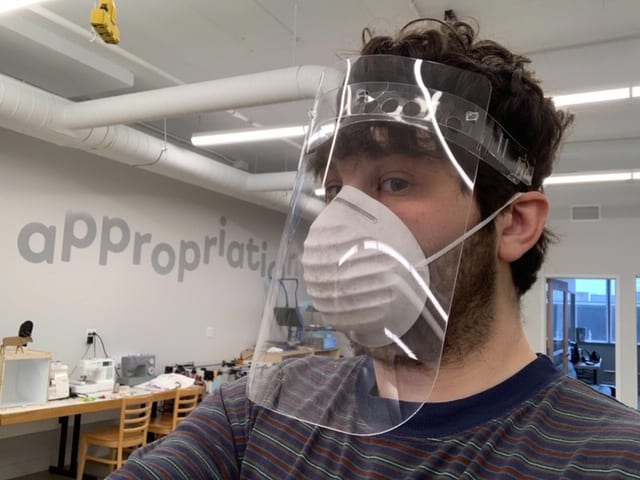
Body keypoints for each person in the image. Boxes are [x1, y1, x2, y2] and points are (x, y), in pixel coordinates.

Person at [108, 18, 640, 479]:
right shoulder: (255, 413)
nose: (343, 222)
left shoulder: (610, 458)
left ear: (514, 224)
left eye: (396, 182)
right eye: (336, 191)